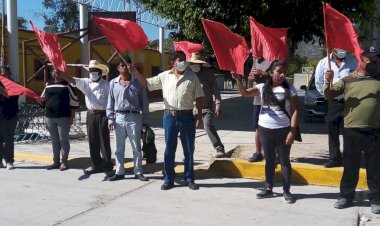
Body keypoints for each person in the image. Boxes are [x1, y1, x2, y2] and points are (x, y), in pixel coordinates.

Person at [133, 50, 204, 190]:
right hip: (169, 117)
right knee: (169, 150)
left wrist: (199, 116)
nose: (183, 62)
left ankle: (189, 179)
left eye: (184, 59)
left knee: (189, 150)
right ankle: (168, 179)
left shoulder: (192, 76)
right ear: (173, 62)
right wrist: (136, 72)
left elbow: (199, 97)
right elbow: (147, 84)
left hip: (187, 116)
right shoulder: (164, 76)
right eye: (180, 59)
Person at [324, 46, 380, 214]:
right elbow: (329, 95)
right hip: (352, 130)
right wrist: (328, 80)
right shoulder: (348, 80)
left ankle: (376, 199)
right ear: (361, 61)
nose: (374, 63)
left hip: (375, 131)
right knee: (350, 166)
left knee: (375, 168)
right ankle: (346, 197)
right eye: (370, 61)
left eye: (376, 61)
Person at [233, 60, 298, 204]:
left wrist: (292, 132)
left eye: (283, 72)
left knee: (284, 161)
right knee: (269, 160)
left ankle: (286, 191)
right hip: (265, 129)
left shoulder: (290, 89)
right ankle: (268, 188)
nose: (281, 75)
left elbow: (294, 111)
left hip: (283, 130)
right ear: (271, 73)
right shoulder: (262, 87)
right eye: (278, 72)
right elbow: (244, 93)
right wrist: (238, 79)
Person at [57, 60, 113, 174]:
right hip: (90, 114)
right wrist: (61, 74)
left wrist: (111, 118)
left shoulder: (107, 85)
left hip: (103, 115)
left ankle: (107, 165)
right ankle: (96, 164)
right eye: (91, 70)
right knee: (92, 140)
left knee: (104, 141)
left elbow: (112, 102)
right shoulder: (86, 82)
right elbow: (73, 80)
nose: (92, 73)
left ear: (100, 72)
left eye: (95, 71)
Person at [106, 58, 149, 182]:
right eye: (122, 65)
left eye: (127, 65)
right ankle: (119, 171)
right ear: (118, 68)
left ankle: (138, 171)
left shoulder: (138, 82)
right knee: (118, 147)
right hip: (118, 117)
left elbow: (144, 102)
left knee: (136, 146)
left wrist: (146, 121)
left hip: (134, 117)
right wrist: (110, 119)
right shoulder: (113, 83)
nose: (125, 67)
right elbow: (110, 102)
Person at [315, 48, 357, 168]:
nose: (342, 50)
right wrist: (328, 94)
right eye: (339, 47)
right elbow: (318, 82)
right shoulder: (324, 63)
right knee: (332, 131)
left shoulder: (353, 61)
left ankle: (349, 158)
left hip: (349, 101)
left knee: (349, 132)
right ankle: (334, 158)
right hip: (332, 102)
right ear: (333, 48)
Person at [188, 52, 226, 158]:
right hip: (192, 108)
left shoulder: (208, 74)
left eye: (196, 63)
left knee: (208, 125)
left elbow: (215, 90)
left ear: (201, 64)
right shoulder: (188, 74)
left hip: (206, 107)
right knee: (190, 130)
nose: (194, 66)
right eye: (192, 64)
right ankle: (189, 152)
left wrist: (218, 105)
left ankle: (219, 149)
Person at [41, 68, 79, 171]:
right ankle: (56, 161)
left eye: (58, 72)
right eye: (54, 72)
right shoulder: (48, 86)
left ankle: (64, 161)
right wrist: (41, 100)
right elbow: (42, 99)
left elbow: (74, 102)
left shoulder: (67, 86)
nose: (56, 74)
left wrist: (72, 117)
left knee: (63, 140)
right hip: (50, 117)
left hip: (64, 117)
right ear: (51, 73)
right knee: (54, 140)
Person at [247, 57, 272, 162]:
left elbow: (277, 75)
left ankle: (272, 152)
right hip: (257, 100)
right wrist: (250, 78)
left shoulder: (273, 60)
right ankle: (258, 152)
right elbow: (249, 77)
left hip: (270, 98)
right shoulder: (256, 61)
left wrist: (263, 73)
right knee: (257, 126)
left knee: (271, 126)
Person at [0, 65, 18, 170]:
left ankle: (9, 161)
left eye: (5, 74)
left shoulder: (14, 84)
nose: (4, 76)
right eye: (2, 75)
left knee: (8, 139)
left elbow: (9, 95)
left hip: (10, 115)